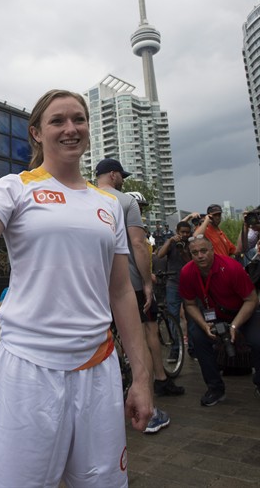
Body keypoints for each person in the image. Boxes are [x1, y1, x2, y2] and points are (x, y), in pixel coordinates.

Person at [0, 90, 152, 488]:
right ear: (37, 133)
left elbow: (121, 294)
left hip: (98, 371)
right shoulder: (15, 188)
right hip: (28, 372)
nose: (70, 128)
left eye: (78, 119)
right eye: (57, 121)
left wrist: (142, 379)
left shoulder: (108, 203)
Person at [96, 164, 181, 436]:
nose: (122, 180)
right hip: (128, 283)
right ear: (113, 175)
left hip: (98, 287)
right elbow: (138, 244)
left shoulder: (84, 196)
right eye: (121, 175)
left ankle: (115, 394)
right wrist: (146, 281)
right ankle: (151, 407)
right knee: (144, 334)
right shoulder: (126, 201)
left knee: (109, 338)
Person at [179, 234, 260, 406]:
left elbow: (252, 299)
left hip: (242, 311)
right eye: (194, 253)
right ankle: (215, 388)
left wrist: (235, 325)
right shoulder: (187, 272)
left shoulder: (231, 267)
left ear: (212, 250)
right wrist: (203, 325)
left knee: (257, 340)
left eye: (203, 251)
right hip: (213, 315)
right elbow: (190, 304)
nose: (200, 256)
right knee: (198, 337)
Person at [156, 220, 195, 358]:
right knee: (173, 316)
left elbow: (191, 262)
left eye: (187, 232)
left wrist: (184, 250)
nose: (184, 235)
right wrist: (170, 241)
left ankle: (193, 348)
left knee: (191, 317)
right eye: (182, 232)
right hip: (173, 283)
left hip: (189, 283)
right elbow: (160, 254)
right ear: (177, 232)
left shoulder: (192, 243)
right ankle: (175, 349)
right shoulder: (172, 242)